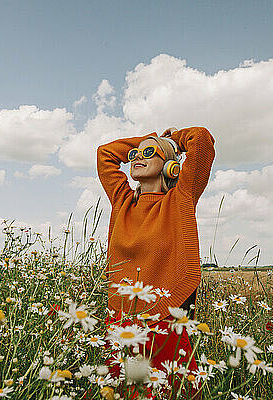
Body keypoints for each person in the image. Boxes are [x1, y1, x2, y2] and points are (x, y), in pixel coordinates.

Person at [96, 126, 215, 399]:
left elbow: (202, 140)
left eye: (149, 153)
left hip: (163, 318)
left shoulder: (179, 199)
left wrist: (173, 141)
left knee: (170, 391)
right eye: (135, 153)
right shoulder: (122, 201)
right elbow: (105, 154)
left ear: (170, 166)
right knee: (119, 392)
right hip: (120, 318)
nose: (138, 155)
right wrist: (148, 142)